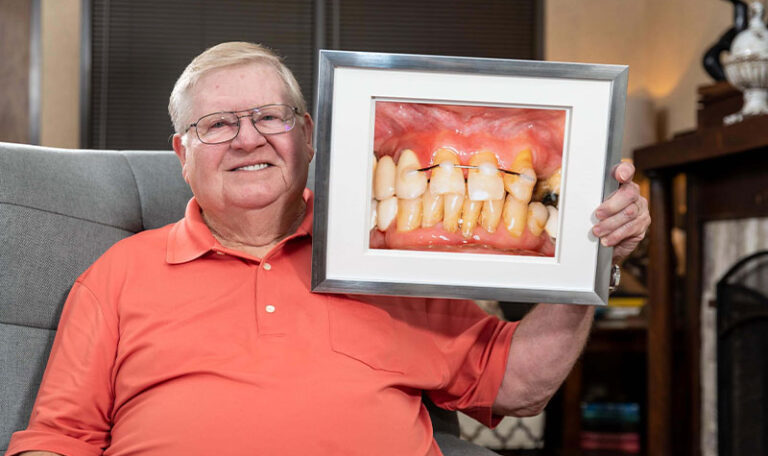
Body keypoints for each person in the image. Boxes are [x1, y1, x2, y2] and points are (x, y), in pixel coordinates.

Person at [6, 42, 650, 456]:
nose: (247, 139)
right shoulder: (121, 273)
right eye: (217, 125)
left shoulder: (384, 253)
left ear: (310, 136)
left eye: (270, 116)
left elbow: (517, 387)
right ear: (183, 154)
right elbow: (57, 439)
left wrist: (596, 254)